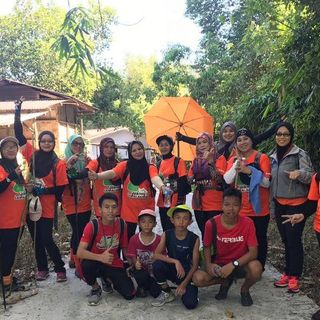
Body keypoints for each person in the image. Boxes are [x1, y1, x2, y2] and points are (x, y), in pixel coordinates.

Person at [14, 100, 68, 282]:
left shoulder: (58, 163)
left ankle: (60, 268)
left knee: (46, 238)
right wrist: (17, 110)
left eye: (49, 141)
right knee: (36, 238)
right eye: (43, 141)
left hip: (47, 206)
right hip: (30, 205)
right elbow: (19, 136)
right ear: (39, 142)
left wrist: (42, 191)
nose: (46, 143)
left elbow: (61, 188)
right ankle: (42, 268)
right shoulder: (32, 155)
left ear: (53, 143)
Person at [192, 188, 262, 306]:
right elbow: (207, 246)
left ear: (241, 206)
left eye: (235, 205)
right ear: (221, 205)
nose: (231, 208)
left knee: (256, 268)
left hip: (240, 264)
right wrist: (209, 264)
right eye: (227, 204)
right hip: (219, 264)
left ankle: (244, 290)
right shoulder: (212, 223)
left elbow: (253, 252)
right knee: (198, 278)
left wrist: (233, 264)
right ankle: (225, 281)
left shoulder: (248, 223)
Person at [88, 141, 167, 239]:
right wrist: (97, 176)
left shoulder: (150, 167)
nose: (138, 152)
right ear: (130, 153)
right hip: (128, 212)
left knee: (145, 239)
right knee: (127, 242)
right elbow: (112, 173)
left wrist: (161, 186)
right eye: (134, 150)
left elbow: (154, 177)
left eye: (139, 149)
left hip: (146, 212)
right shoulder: (124, 165)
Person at [270, 122, 314, 293]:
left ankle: (294, 276)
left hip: (296, 205)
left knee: (294, 241)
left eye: (286, 134)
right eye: (279, 134)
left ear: (291, 136)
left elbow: (311, 177)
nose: (282, 137)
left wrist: (300, 174)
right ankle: (287, 273)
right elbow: (272, 184)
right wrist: (273, 209)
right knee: (286, 240)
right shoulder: (273, 156)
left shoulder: (299, 154)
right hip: (279, 204)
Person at [224, 128, 271, 268]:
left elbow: (266, 183)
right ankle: (243, 266)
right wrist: (236, 166)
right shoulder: (232, 159)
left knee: (259, 239)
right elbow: (227, 180)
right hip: (240, 208)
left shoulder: (261, 157)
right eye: (239, 140)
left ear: (252, 140)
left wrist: (249, 171)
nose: (243, 142)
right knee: (241, 239)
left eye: (246, 139)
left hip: (258, 209)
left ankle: (259, 266)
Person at [77, 193, 135, 306]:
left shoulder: (122, 224)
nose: (110, 211)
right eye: (106, 207)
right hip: (95, 262)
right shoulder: (92, 226)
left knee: (130, 294)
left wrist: (132, 262)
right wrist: (100, 257)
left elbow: (124, 247)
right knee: (87, 265)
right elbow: (80, 252)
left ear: (118, 208)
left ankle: (107, 278)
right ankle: (95, 288)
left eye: (114, 207)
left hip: (112, 262)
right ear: (100, 209)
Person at [152, 204, 199, 309]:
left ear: (190, 222)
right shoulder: (167, 234)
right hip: (173, 268)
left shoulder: (194, 238)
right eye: (178, 218)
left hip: (186, 273)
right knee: (157, 265)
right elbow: (156, 255)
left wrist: (184, 284)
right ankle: (167, 291)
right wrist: (175, 261)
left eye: (185, 218)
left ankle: (186, 289)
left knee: (190, 304)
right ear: (172, 220)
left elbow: (195, 266)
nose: (181, 222)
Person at [0, 136, 27, 291]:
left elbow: (18, 188)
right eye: (6, 147)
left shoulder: (16, 166)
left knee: (11, 250)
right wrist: (10, 176)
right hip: (5, 220)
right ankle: (6, 283)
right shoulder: (2, 167)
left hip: (19, 218)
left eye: (13, 147)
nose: (10, 150)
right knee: (7, 251)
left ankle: (7, 276)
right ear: (2, 151)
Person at [176, 120, 280, 160]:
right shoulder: (216, 146)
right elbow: (200, 142)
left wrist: (276, 126)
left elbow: (261, 137)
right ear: (221, 133)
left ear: (235, 132)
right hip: (219, 181)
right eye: (225, 131)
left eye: (231, 131)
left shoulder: (241, 144)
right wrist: (182, 138)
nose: (228, 134)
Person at [188, 132, 227, 238]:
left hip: (215, 203)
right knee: (204, 234)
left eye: (205, 142)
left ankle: (218, 255)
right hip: (198, 203)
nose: (202, 145)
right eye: (199, 143)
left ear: (210, 143)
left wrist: (210, 162)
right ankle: (206, 254)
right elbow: (189, 180)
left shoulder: (220, 158)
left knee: (216, 234)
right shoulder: (195, 160)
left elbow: (220, 179)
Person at [62, 134, 92, 270]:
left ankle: (75, 256)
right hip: (70, 202)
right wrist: (69, 165)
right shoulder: (63, 162)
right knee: (77, 230)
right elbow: (72, 178)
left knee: (82, 230)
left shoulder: (87, 160)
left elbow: (91, 174)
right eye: (75, 144)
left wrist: (87, 166)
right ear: (69, 145)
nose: (78, 147)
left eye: (81, 144)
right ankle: (76, 258)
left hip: (85, 201)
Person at [156, 135, 189, 231]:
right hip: (162, 201)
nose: (164, 147)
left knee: (176, 229)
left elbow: (183, 181)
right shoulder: (158, 164)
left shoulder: (178, 161)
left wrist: (180, 202)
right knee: (165, 229)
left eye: (166, 144)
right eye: (161, 145)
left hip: (175, 200)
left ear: (171, 146)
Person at [127, 209, 162, 298]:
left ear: (155, 224)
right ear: (138, 223)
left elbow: (163, 256)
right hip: (141, 270)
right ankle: (142, 286)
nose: (146, 225)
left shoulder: (159, 239)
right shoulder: (134, 239)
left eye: (150, 222)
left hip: (154, 271)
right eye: (143, 222)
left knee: (156, 293)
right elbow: (132, 255)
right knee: (139, 273)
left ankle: (151, 285)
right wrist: (135, 263)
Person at [86, 137, 122, 217]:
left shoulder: (119, 165)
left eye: (112, 147)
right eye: (106, 147)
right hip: (102, 208)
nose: (109, 149)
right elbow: (86, 171)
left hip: (116, 207)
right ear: (101, 148)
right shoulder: (96, 163)